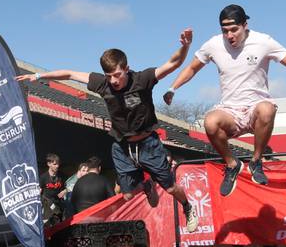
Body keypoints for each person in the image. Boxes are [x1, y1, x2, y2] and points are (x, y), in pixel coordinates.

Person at [17, 29, 198, 232]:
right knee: (128, 194)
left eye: (117, 75)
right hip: (122, 146)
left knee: (171, 188)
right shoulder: (102, 84)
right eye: (109, 76)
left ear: (127, 69)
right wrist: (39, 75)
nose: (113, 81)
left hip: (148, 143)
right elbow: (69, 73)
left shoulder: (142, 79)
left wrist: (185, 46)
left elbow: (172, 63)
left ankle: (188, 207)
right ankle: (146, 185)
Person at [164, 4, 286, 196]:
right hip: (230, 111)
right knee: (210, 122)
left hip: (256, 109)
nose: (229, 35)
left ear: (245, 25)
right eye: (225, 31)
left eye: (234, 30)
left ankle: (256, 161)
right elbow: (192, 68)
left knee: (267, 109)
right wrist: (173, 88)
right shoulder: (213, 44)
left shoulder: (263, 41)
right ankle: (232, 164)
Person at [40, 153, 67, 226]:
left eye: (58, 164)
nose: (57, 166)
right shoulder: (43, 177)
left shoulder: (62, 175)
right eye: (55, 164)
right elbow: (39, 192)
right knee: (49, 226)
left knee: (61, 225)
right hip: (48, 206)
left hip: (59, 204)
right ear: (48, 164)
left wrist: (65, 191)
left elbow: (67, 187)